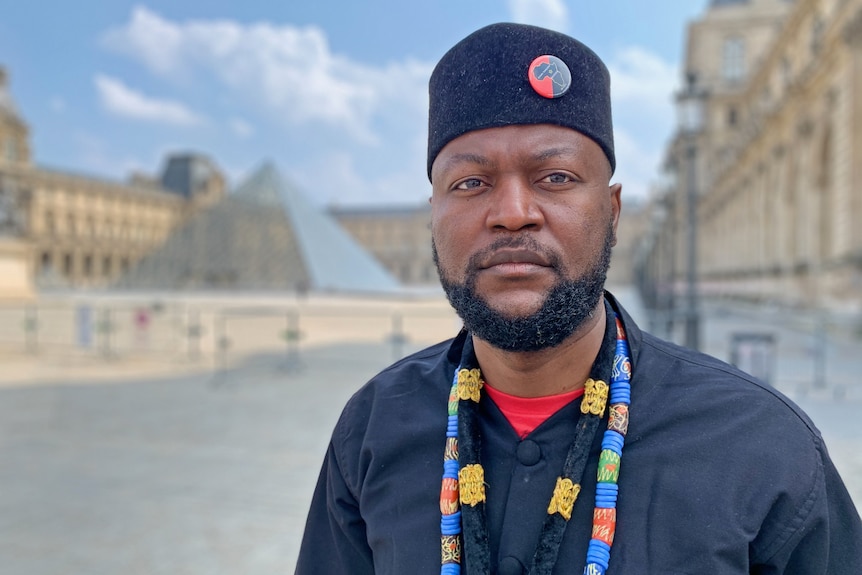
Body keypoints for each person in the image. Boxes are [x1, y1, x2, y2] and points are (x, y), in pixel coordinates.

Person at [295, 23, 862, 574]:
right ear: (433, 217)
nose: (513, 212)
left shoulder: (765, 449)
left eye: (556, 177)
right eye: (470, 183)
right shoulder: (371, 429)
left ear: (612, 211)